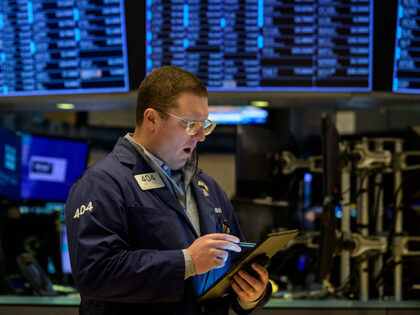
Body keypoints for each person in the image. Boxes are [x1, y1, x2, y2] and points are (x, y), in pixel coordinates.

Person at [65, 66, 272, 314]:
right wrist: (187, 262)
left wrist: (250, 295)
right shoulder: (102, 183)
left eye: (204, 124)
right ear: (151, 118)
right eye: (190, 124)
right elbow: (94, 275)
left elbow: (233, 269)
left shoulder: (207, 187)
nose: (201, 136)